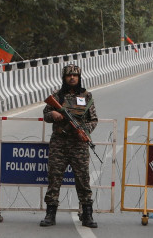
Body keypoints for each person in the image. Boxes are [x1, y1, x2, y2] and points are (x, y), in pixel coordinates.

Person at [40, 64, 99, 228]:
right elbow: (45, 114)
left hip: (79, 145)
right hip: (59, 143)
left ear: (79, 78)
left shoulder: (86, 96)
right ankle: (50, 214)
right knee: (54, 178)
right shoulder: (57, 97)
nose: (72, 78)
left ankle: (87, 215)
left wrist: (84, 131)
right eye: (69, 75)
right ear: (64, 78)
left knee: (83, 180)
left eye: (75, 75)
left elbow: (93, 119)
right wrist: (53, 114)